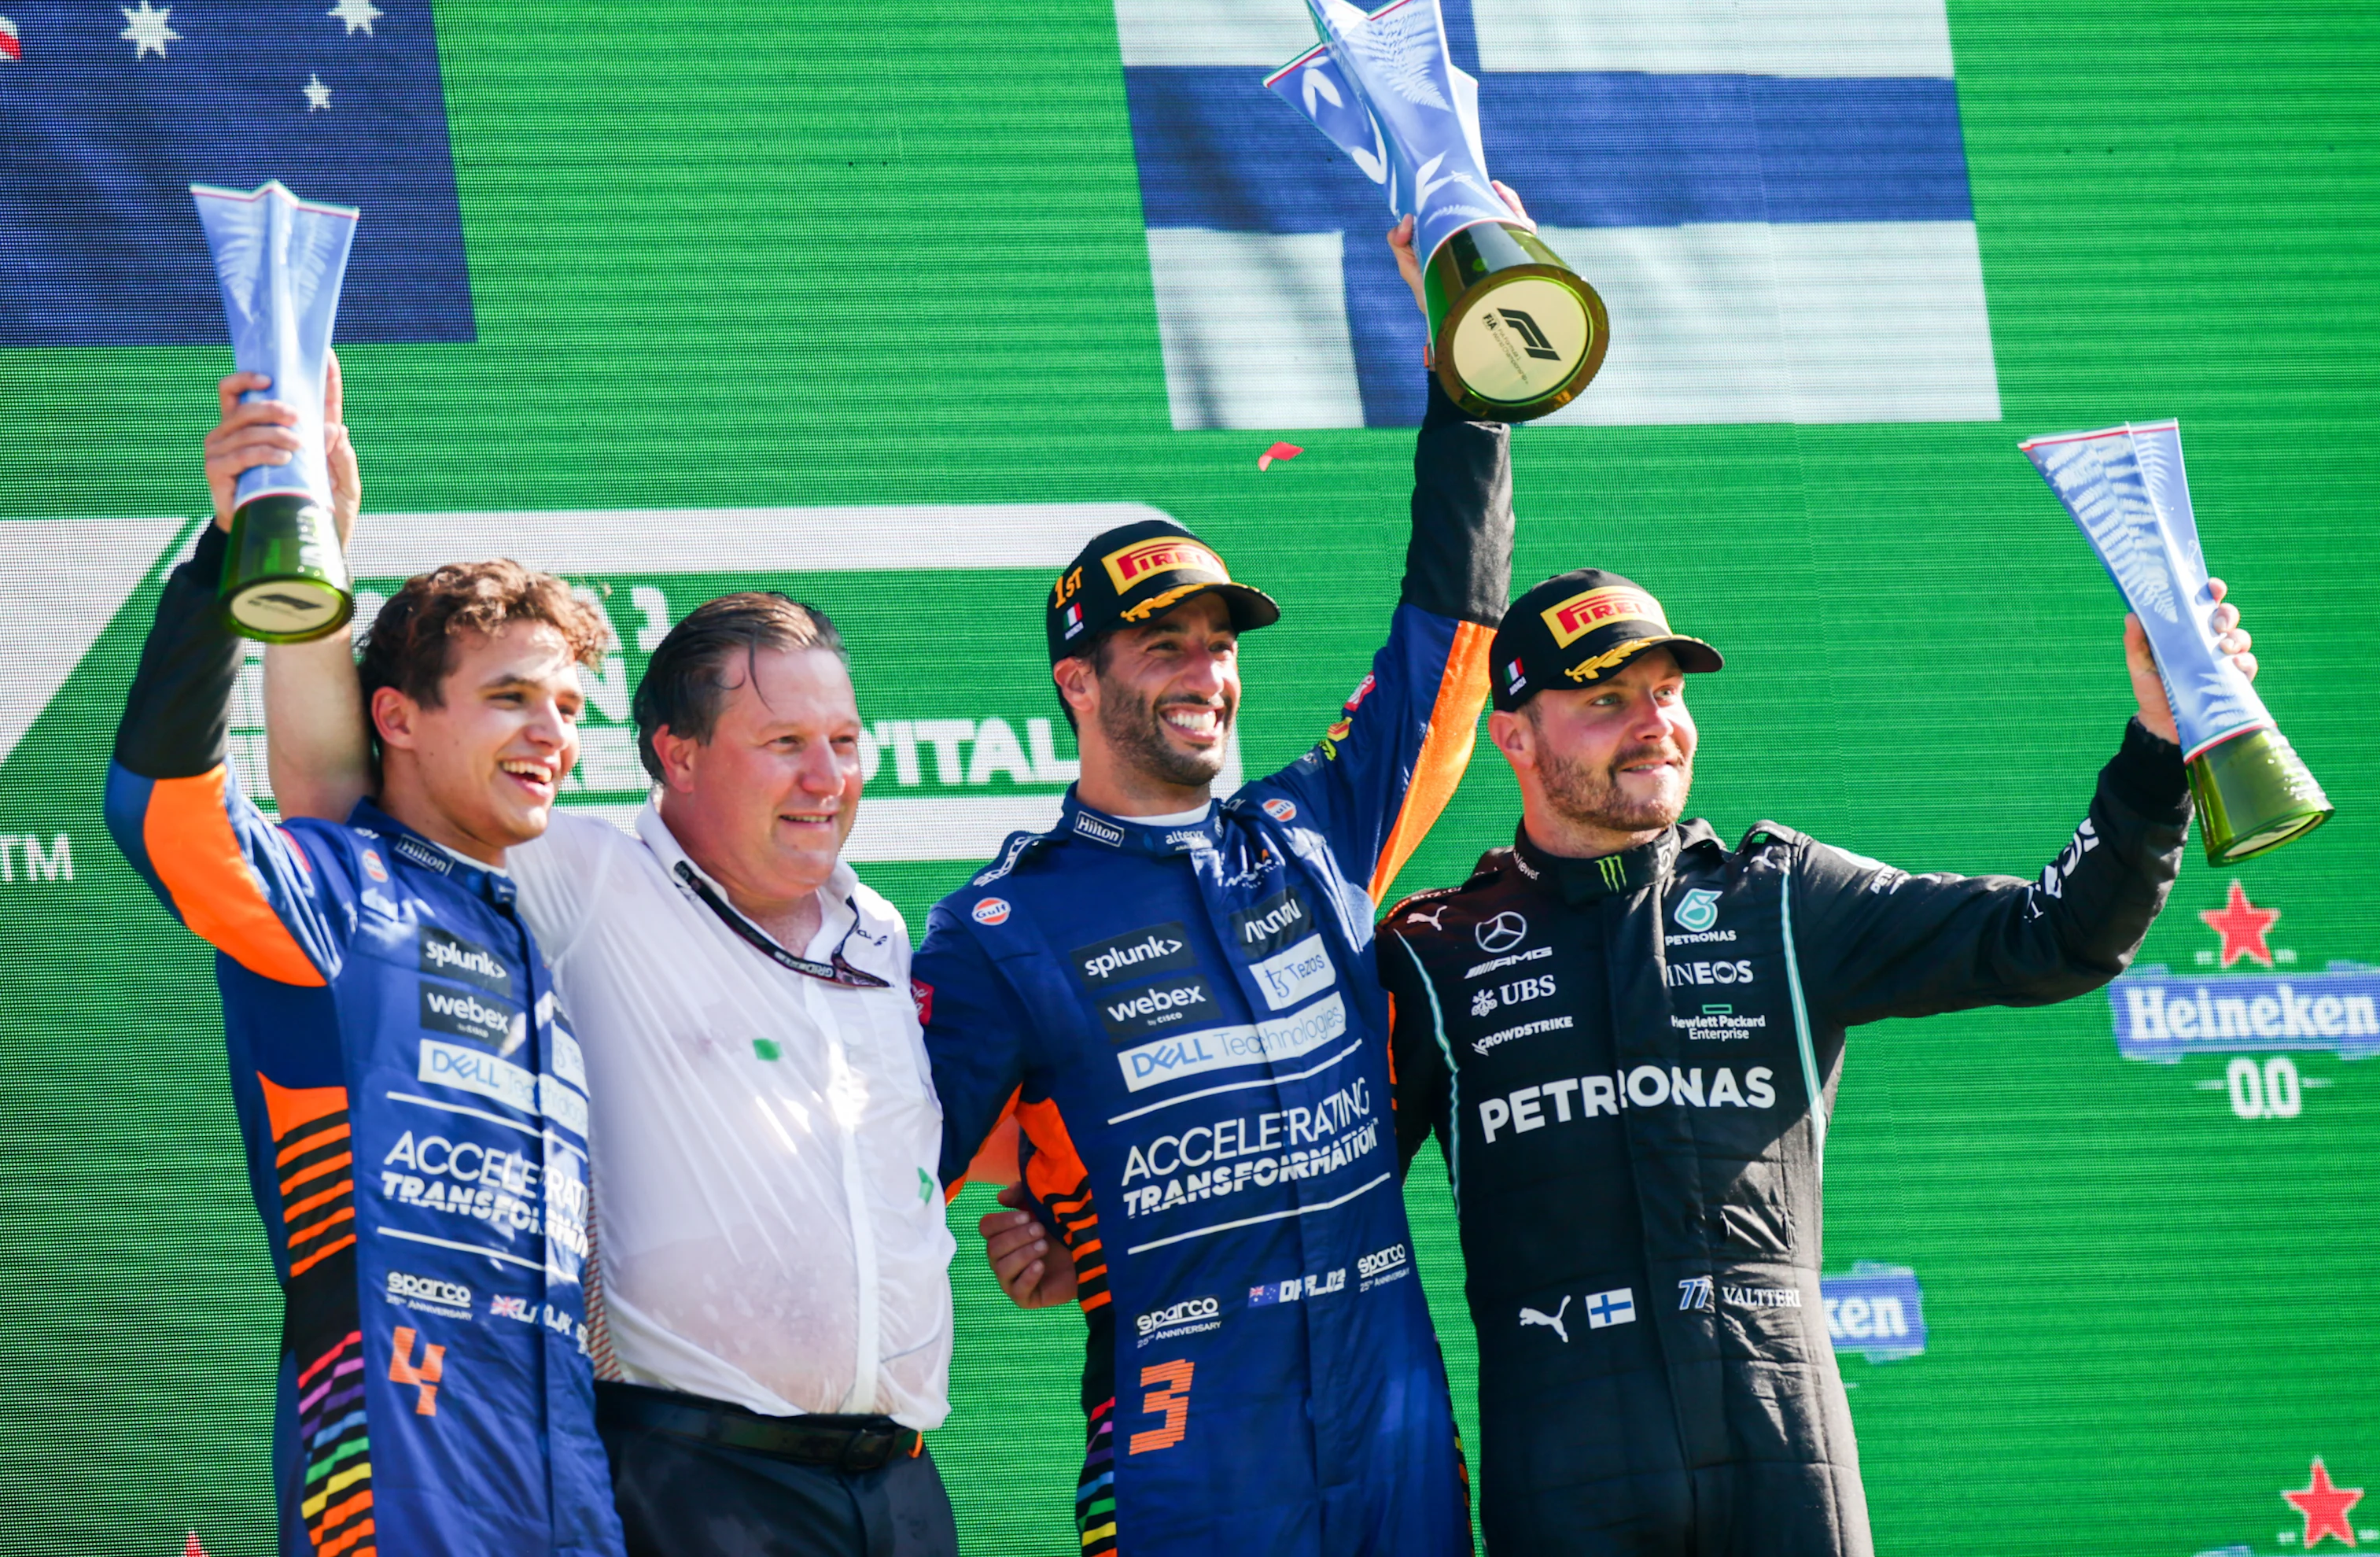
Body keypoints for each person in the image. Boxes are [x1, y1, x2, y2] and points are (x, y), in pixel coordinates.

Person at [1372, 566, 2257, 1555]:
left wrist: (2158, 750)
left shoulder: (1781, 897)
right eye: (1604, 700)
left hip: (1782, 1443)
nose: (1652, 722)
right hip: (1563, 1453)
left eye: (1665, 691)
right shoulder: (1430, 949)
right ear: (1513, 734)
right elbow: (1322, 1207)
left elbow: (2052, 936)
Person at [923, 208, 1512, 1556]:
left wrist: (1469, 394)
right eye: (1157, 646)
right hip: (1182, 1460)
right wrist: (1055, 1235)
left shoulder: (1315, 830)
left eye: (1214, 642)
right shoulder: (998, 930)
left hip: (1394, 1437)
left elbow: (1451, 635)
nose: (1201, 669)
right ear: (1078, 682)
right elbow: (893, 1176)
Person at [261, 432, 957, 1555]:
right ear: (675, 756)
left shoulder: (876, 930)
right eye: (785, 742)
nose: (828, 779)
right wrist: (316, 566)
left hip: (905, 1486)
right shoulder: (579, 878)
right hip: (699, 1479)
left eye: (843, 740)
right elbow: (339, 794)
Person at [103, 366, 625, 1557]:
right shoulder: (336, 898)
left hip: (570, 1504)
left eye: (565, 704)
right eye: (510, 698)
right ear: (396, 717)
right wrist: (236, 558)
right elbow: (163, 814)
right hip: (390, 1498)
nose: (552, 734)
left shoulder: (533, 942)